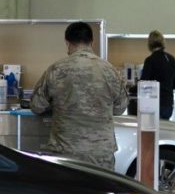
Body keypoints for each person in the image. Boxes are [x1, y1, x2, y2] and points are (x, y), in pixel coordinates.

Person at [30, 21, 127, 170]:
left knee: (67, 192)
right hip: (101, 153)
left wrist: (57, 104)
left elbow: (36, 106)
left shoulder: (56, 69)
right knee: (100, 192)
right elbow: (120, 108)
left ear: (67, 42)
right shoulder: (110, 71)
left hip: (66, 152)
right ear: (92, 42)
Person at [140, 30, 175, 120]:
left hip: (154, 104)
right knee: (165, 130)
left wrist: (130, 88)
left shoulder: (150, 60)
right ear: (162, 42)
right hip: (168, 104)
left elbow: (143, 84)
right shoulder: (171, 59)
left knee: (153, 131)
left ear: (149, 44)